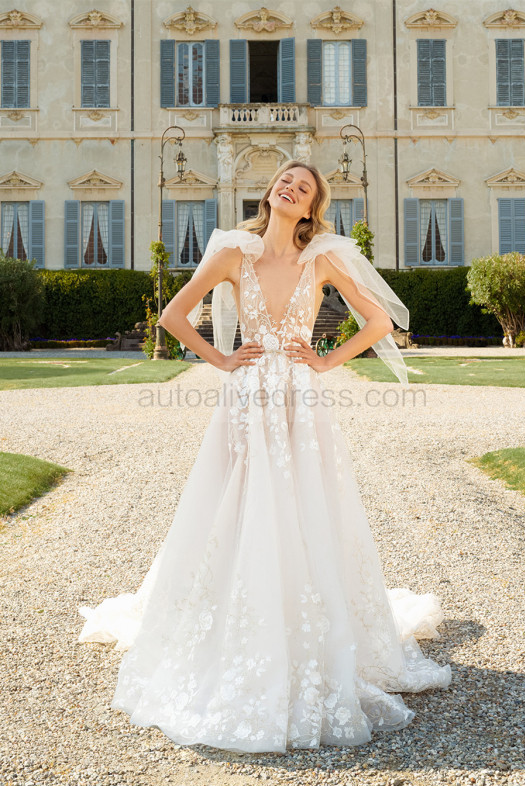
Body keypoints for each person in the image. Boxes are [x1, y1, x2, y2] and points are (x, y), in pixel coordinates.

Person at [78, 161, 452, 753]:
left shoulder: (323, 258)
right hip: (247, 396)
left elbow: (379, 320)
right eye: (285, 180)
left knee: (304, 503)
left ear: (310, 209)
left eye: (303, 188)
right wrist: (221, 360)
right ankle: (236, 614)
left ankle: (305, 620)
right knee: (240, 502)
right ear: (270, 191)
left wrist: (328, 361)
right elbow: (175, 316)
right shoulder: (232, 251)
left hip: (302, 397)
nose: (290, 188)